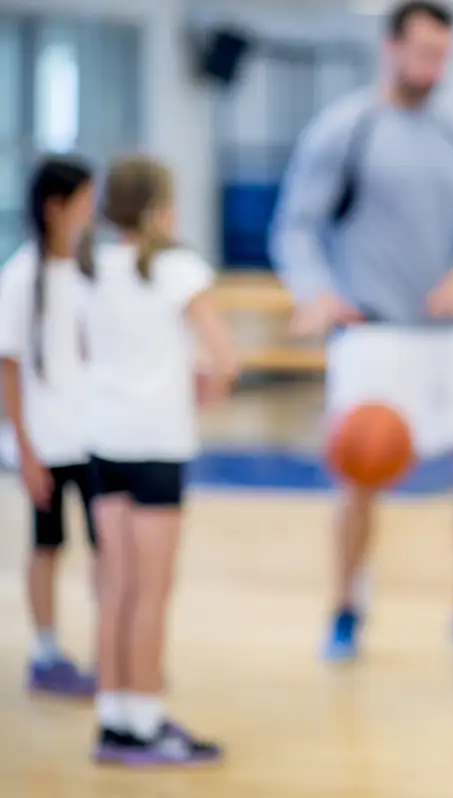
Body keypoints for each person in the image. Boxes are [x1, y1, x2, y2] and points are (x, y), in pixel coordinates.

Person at [269, 0, 453, 660]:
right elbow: (295, 226)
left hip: (452, 332)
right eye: (425, 52)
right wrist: (315, 291)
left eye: (444, 55)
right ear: (390, 47)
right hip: (373, 330)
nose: (435, 67)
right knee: (359, 469)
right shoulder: (345, 129)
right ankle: (345, 608)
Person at [85, 155, 239, 766]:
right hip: (155, 445)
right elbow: (224, 358)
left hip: (104, 441)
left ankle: (113, 718)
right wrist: (205, 391)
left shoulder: (90, 266)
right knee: (151, 592)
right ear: (160, 208)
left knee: (115, 589)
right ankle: (146, 722)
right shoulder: (179, 268)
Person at [0, 156, 98, 697]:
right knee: (47, 545)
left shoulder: (89, 272)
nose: (92, 210)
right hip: (46, 440)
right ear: (55, 207)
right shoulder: (20, 277)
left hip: (94, 437)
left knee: (108, 548)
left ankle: (114, 650)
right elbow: (8, 368)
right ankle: (45, 652)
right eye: (85, 200)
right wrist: (25, 449)